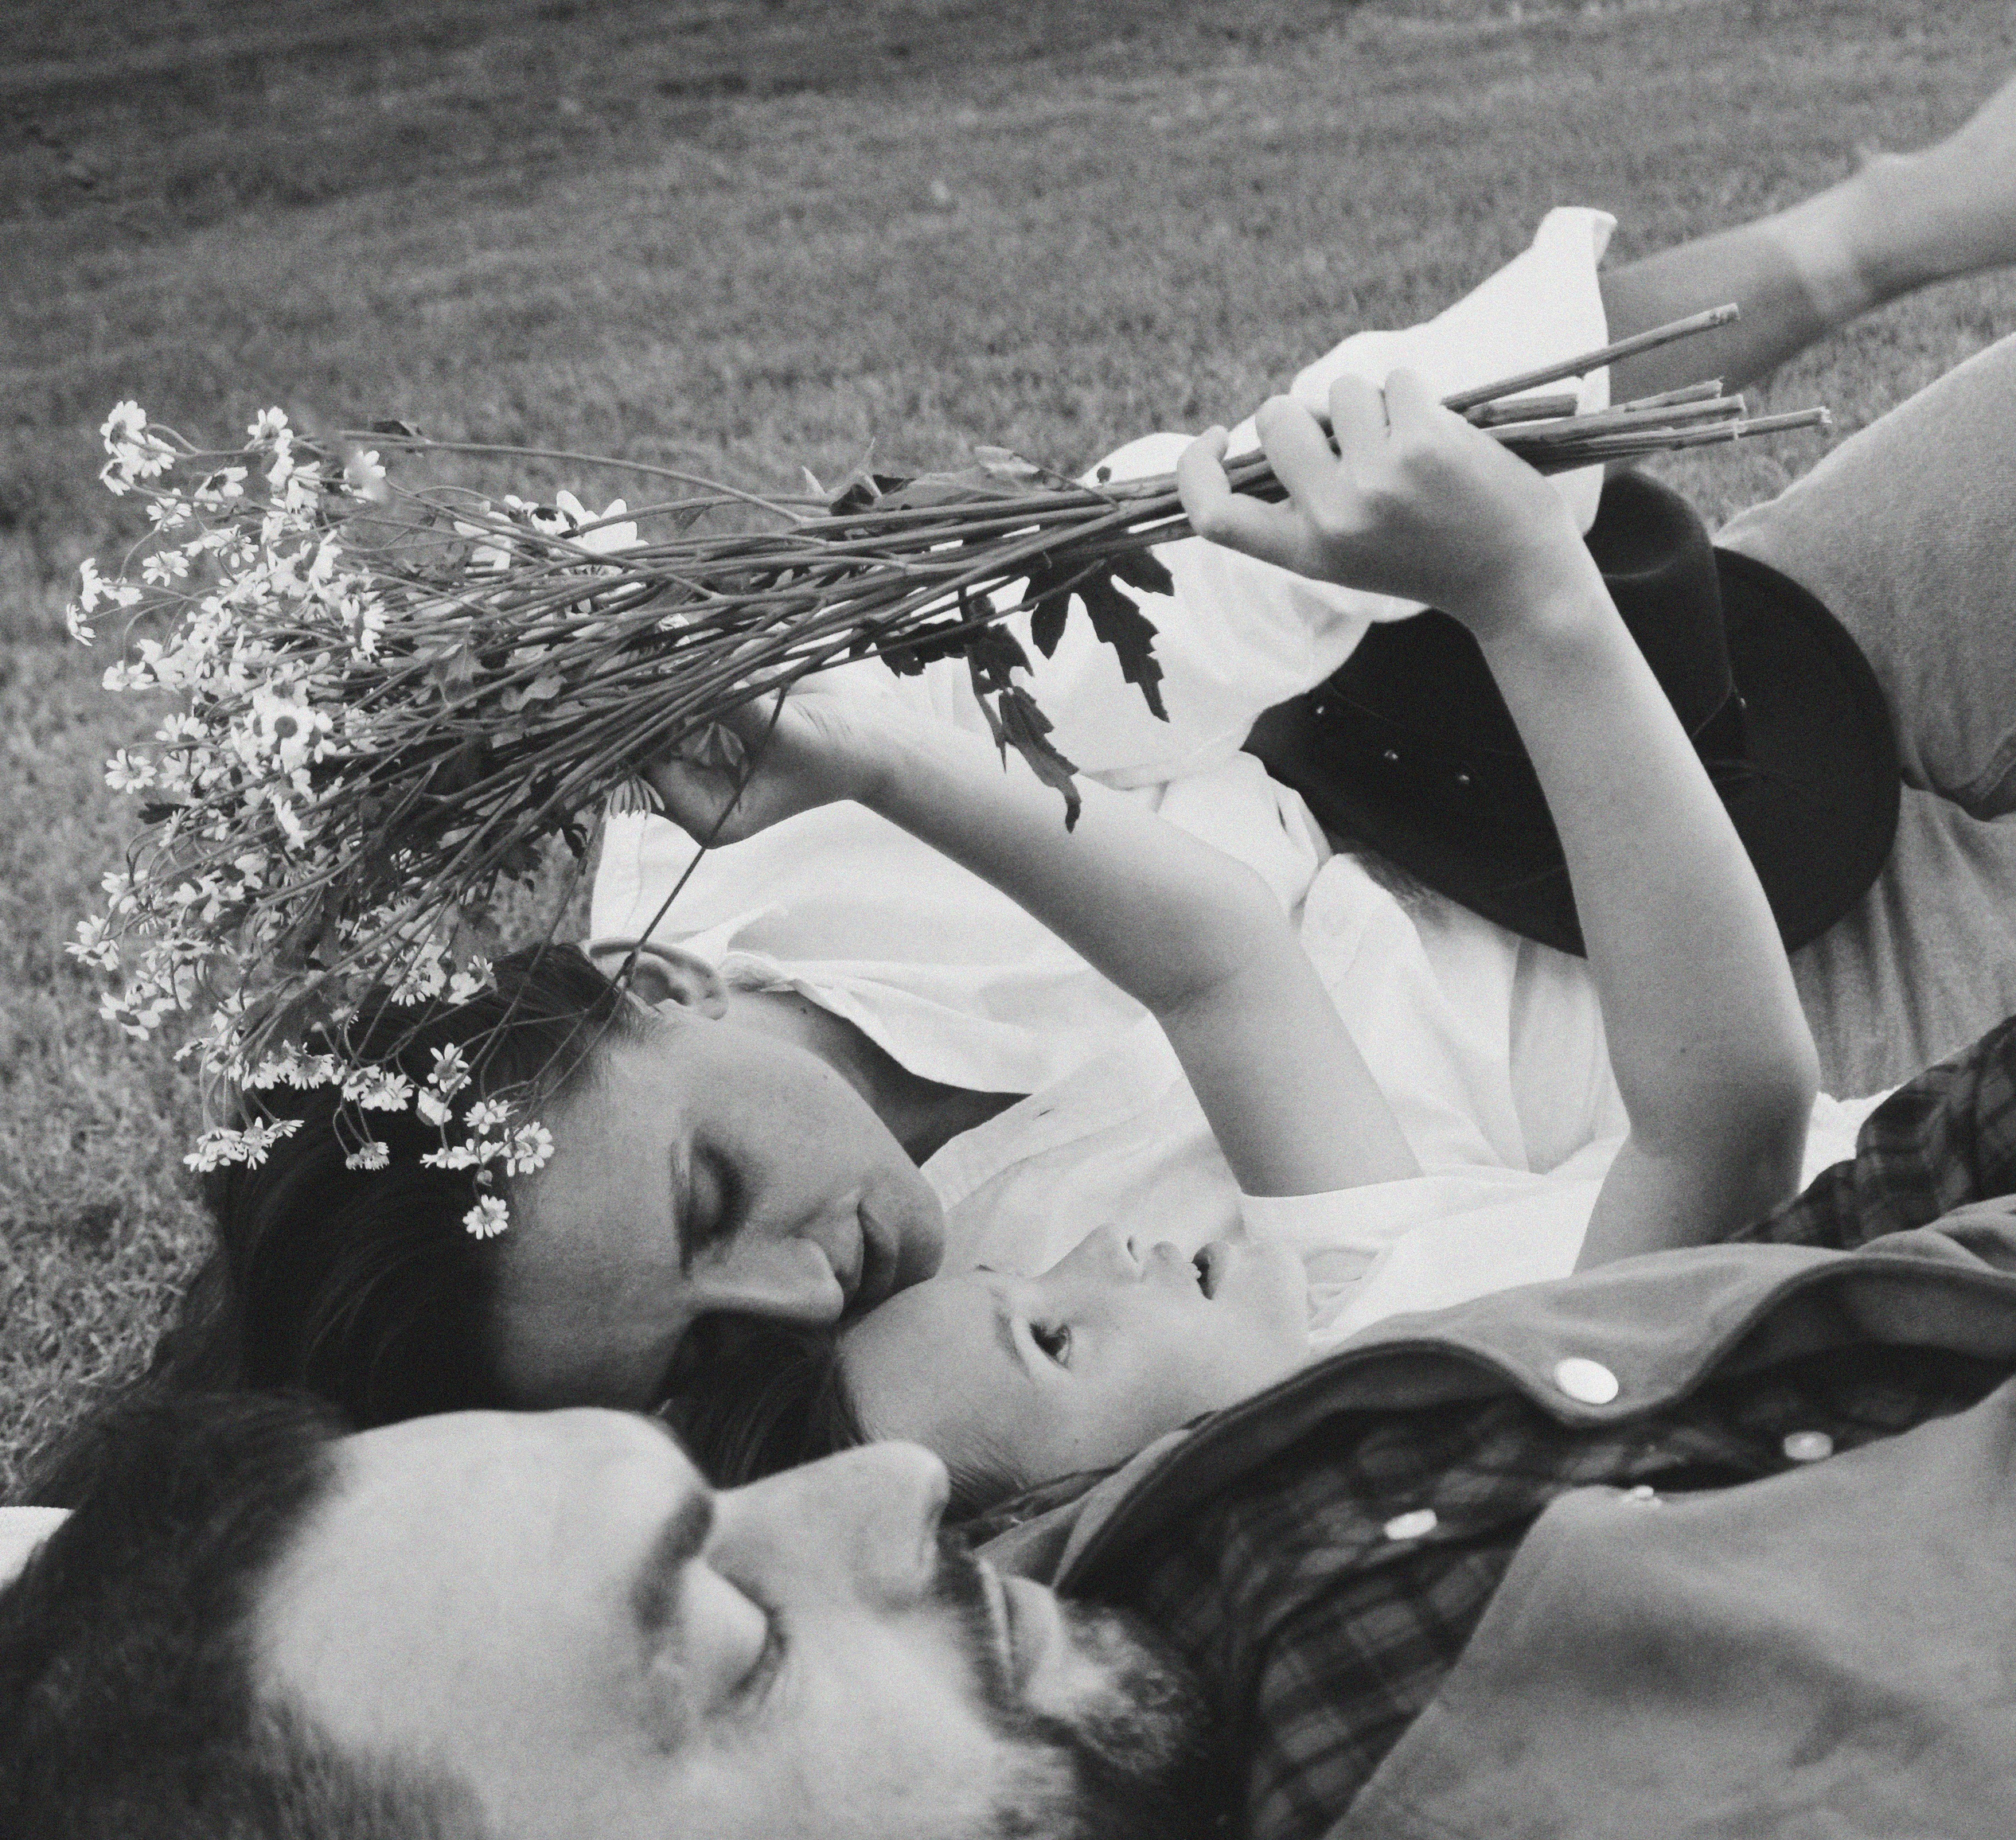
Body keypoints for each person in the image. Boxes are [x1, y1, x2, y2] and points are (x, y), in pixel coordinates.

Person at [6, 978, 2016, 1840]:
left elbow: (1803, 1267)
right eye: (729, 1636)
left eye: (720, 1500)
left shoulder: (1074, 1668)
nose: (888, 1494)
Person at [161, 60, 2016, 1431]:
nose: (801, 1287)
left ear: (645, 986)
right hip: (1818, 1038)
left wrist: (1865, 238)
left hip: (1703, 697)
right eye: (704, 1353)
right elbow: (1695, 1140)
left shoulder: (776, 791)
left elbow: (1261, 533)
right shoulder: (1002, 1379)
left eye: (710, 1194)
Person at [649, 361, 1819, 1503]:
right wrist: (1527, 594)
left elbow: (1217, 964)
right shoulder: (1442, 1406)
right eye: (1053, 1338)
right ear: (1093, 1510)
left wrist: (873, 759)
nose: (1103, 1254)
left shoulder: (1333, 1306)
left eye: (1020, 1278)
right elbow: (1726, 1124)